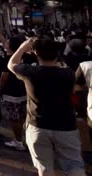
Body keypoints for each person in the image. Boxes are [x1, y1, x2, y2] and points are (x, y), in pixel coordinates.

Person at [10, 37, 84, 175]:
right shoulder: (68, 74)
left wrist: (23, 47)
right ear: (57, 54)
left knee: (44, 168)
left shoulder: (30, 72)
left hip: (38, 125)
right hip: (66, 125)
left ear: (36, 53)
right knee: (73, 165)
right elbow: (62, 66)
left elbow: (11, 64)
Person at [0, 36, 27, 151]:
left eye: (7, 42)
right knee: (21, 116)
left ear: (10, 46)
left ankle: (18, 141)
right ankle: (22, 139)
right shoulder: (24, 57)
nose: (5, 43)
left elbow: (4, 77)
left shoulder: (8, 59)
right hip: (23, 90)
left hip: (10, 91)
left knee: (14, 118)